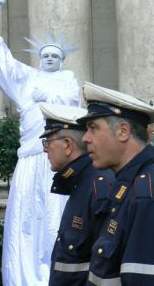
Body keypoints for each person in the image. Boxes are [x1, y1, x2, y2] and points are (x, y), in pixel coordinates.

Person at [0, 28, 80, 286]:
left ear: (62, 60)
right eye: (45, 55)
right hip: (30, 159)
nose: (49, 58)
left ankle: (54, 275)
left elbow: (73, 104)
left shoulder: (68, 79)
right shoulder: (29, 78)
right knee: (26, 220)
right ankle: (22, 277)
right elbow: (7, 70)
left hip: (56, 161)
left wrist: (48, 97)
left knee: (55, 216)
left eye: (54, 55)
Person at [77, 82, 154, 286]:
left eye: (93, 128)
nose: (85, 138)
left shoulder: (145, 194)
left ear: (123, 131)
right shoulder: (127, 186)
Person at [39, 102, 114, 286]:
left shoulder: (97, 186)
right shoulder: (80, 182)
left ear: (67, 145)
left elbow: (106, 267)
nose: (45, 149)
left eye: (48, 142)